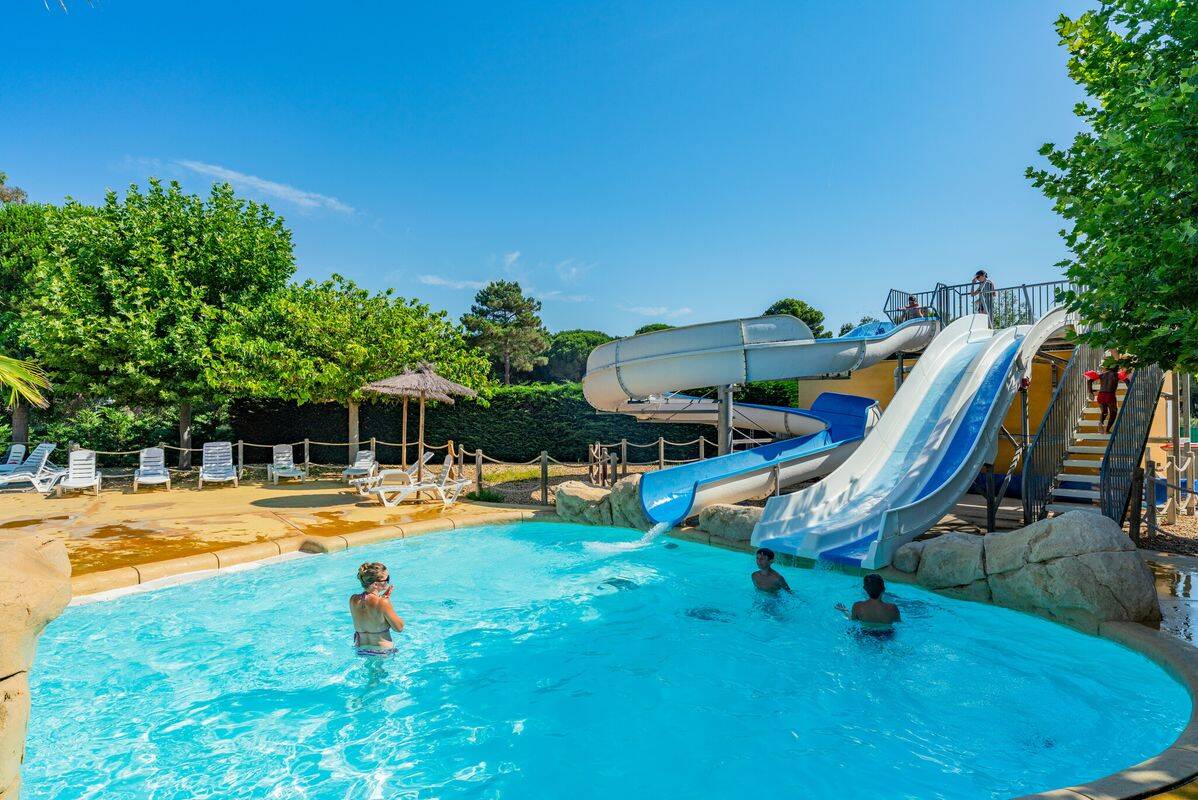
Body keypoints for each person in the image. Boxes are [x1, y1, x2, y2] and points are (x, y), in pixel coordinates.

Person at [350, 561, 405, 656]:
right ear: (375, 584)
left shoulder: (353, 599)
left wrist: (382, 600)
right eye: (387, 579)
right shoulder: (383, 602)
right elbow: (399, 628)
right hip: (382, 651)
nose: (388, 581)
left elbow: (369, 615)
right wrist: (386, 602)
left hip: (361, 650)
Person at [836, 573, 900, 627]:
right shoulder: (892, 608)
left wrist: (845, 611)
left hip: (865, 634)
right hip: (887, 635)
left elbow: (852, 620)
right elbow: (898, 623)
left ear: (865, 589)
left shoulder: (858, 606)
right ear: (884, 589)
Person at [1089, 362, 1124, 433]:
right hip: (1110, 395)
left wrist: (1090, 392)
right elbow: (1126, 380)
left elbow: (1089, 380)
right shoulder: (1116, 375)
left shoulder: (1102, 374)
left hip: (1101, 395)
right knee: (1113, 412)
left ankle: (1100, 423)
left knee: (1104, 412)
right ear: (1117, 368)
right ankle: (1107, 430)